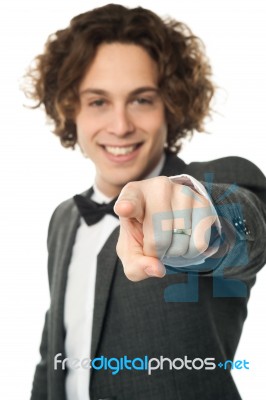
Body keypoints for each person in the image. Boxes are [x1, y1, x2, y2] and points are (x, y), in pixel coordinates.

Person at [24, 4, 266, 400]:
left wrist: (196, 211)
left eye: (141, 100)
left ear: (171, 105)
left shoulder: (215, 182)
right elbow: (52, 354)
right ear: (71, 111)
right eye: (98, 101)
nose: (120, 126)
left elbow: (248, 234)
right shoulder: (63, 219)